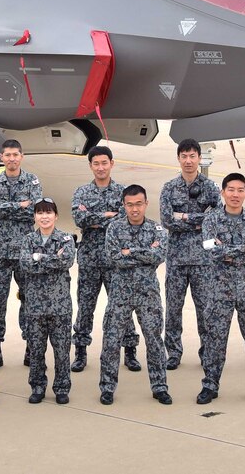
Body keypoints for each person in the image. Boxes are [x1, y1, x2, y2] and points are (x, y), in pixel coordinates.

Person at [198, 173, 245, 406]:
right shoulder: (211, 220)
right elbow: (210, 252)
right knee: (215, 340)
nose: (235, 194)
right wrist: (244, 248)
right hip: (220, 291)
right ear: (223, 192)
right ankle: (210, 385)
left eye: (240, 190)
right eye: (231, 189)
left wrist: (228, 250)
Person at [98, 185, 172, 406]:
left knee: (154, 340)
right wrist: (144, 253)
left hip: (147, 293)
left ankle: (160, 387)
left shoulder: (157, 230)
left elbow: (159, 255)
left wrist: (130, 251)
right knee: (111, 340)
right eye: (130, 205)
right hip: (120, 292)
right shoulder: (114, 228)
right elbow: (113, 258)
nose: (134, 209)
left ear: (146, 204)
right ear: (124, 206)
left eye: (138, 204)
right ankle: (107, 387)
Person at [70, 146, 141, 373]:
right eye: (96, 164)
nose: (100, 168)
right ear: (90, 166)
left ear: (112, 163)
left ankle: (130, 350)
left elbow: (127, 219)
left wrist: (96, 219)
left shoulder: (123, 193)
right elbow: (79, 218)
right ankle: (80, 352)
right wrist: (107, 216)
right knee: (85, 307)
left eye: (104, 163)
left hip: (116, 262)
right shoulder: (82, 192)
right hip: (90, 259)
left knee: (122, 306)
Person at [159, 138, 221, 370]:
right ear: (178, 158)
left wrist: (182, 217)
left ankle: (207, 352)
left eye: (192, 156)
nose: (188, 161)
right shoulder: (169, 188)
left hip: (203, 260)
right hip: (176, 260)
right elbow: (166, 220)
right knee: (173, 309)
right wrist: (198, 220)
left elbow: (215, 220)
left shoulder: (210, 188)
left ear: (198, 158)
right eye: (184, 156)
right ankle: (173, 353)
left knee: (205, 309)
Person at [0, 139, 42, 366]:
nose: (12, 159)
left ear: (22, 156)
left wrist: (8, 207)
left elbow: (35, 212)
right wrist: (20, 205)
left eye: (15, 154)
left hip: (25, 250)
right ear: (1, 157)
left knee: (29, 298)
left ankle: (30, 346)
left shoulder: (32, 180)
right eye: (7, 155)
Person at [18, 198, 76, 404]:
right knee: (36, 350)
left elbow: (66, 261)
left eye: (48, 212)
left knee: (62, 351)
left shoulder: (66, 239)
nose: (44, 217)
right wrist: (51, 258)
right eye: (40, 213)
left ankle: (62, 388)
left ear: (56, 216)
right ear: (34, 216)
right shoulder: (27, 240)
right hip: (34, 306)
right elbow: (25, 264)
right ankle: (37, 387)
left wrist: (38, 257)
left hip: (60, 306)